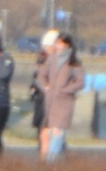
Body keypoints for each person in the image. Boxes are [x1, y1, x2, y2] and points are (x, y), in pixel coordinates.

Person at [35, 30, 83, 162]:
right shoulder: (51, 59)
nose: (58, 46)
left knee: (57, 130)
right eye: (57, 43)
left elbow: (80, 82)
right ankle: (52, 159)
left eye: (61, 44)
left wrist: (66, 90)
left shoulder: (74, 63)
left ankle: (51, 161)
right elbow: (41, 75)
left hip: (65, 102)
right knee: (48, 131)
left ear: (68, 45)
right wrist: (45, 87)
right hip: (50, 100)